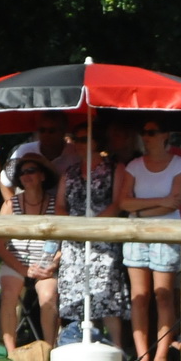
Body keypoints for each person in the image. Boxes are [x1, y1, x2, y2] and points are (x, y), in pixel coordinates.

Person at [118, 119, 181, 361]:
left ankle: (160, 356)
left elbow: (175, 201)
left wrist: (140, 211)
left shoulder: (179, 164)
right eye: (143, 132)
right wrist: (157, 203)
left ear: (165, 135)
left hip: (166, 232)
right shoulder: (134, 165)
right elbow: (124, 202)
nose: (146, 137)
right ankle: (141, 356)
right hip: (137, 234)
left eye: (151, 132)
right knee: (139, 296)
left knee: (163, 296)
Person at [54, 126, 128, 349]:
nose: (79, 144)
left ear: (96, 142)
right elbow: (59, 205)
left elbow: (116, 204)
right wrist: (75, 227)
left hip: (103, 237)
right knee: (77, 293)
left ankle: (116, 347)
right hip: (74, 239)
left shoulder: (115, 169)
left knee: (106, 294)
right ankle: (79, 341)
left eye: (84, 139)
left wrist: (92, 227)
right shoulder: (70, 172)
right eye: (76, 139)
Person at [0, 153, 60, 349]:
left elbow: (66, 242)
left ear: (43, 176)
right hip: (16, 262)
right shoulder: (10, 205)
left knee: (48, 296)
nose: (26, 175)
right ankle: (11, 350)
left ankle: (50, 348)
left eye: (31, 171)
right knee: (8, 294)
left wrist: (52, 265)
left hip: (47, 265)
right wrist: (24, 270)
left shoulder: (56, 205)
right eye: (22, 173)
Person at [2, 114, 80, 200]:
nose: (46, 135)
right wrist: (14, 206)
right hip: (29, 209)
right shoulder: (24, 151)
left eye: (52, 131)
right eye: (42, 130)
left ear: (63, 131)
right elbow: (5, 181)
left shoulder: (76, 153)